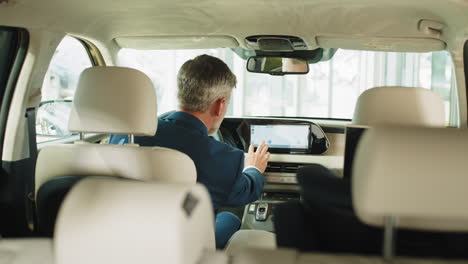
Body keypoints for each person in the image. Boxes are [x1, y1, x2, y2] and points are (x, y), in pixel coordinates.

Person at [109, 55, 270, 249]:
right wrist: (254, 169)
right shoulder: (220, 157)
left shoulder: (123, 137)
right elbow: (246, 191)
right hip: (182, 249)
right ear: (219, 105)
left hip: (126, 243)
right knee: (229, 218)